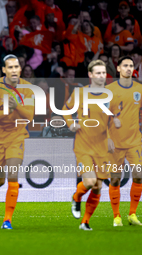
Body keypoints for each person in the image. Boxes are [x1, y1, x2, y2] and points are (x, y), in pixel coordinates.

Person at [63, 60, 114, 231]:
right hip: (83, 144)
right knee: (90, 181)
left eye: (103, 73)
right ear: (90, 75)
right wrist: (71, 124)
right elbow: (66, 109)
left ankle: (85, 222)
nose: (101, 76)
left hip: (101, 147)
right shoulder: (79, 93)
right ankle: (76, 197)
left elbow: (113, 120)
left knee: (98, 186)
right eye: (98, 73)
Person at [0, 54, 34, 229]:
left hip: (17, 137)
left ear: (20, 69)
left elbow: (29, 116)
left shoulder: (28, 88)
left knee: (13, 175)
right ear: (4, 70)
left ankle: (7, 220)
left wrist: (17, 106)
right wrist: (8, 109)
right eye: (10, 67)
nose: (14, 70)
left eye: (16, 67)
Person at [106, 56, 142, 227]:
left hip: (135, 142)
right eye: (125, 65)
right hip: (115, 143)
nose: (128, 68)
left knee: (139, 176)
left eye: (131, 66)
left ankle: (132, 214)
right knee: (115, 180)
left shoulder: (139, 89)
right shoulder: (109, 90)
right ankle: (116, 216)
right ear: (118, 68)